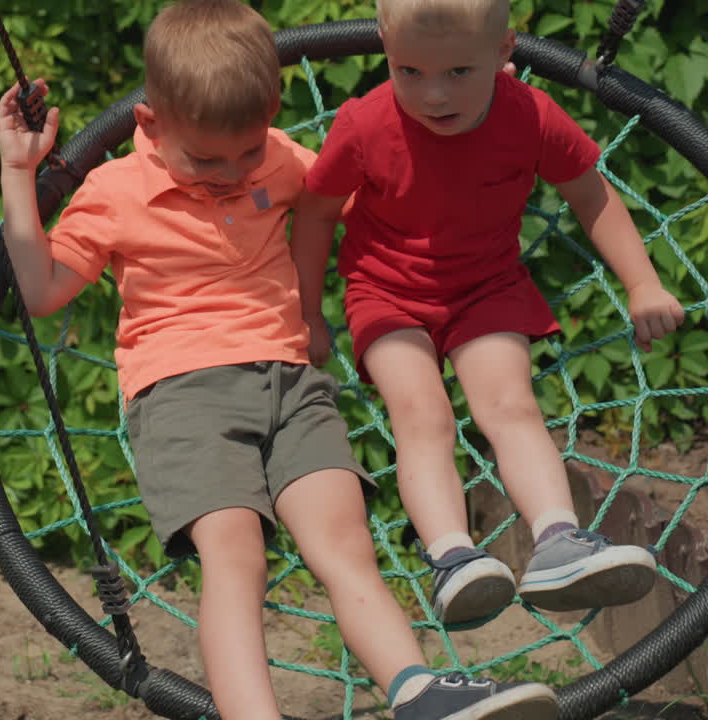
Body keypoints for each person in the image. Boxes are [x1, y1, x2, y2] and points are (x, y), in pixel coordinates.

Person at [0, 1, 559, 717]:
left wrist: (485, 101)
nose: (233, 172)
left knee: (346, 542)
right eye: (206, 158)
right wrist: (20, 174)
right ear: (150, 122)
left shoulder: (284, 157)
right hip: (181, 393)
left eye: (249, 151)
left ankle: (416, 690)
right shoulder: (114, 192)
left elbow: (384, 196)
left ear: (271, 116)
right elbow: (42, 290)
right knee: (236, 558)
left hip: (293, 384)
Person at [291, 0, 685, 631]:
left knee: (510, 405)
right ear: (385, 48)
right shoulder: (365, 123)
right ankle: (452, 557)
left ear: (505, 53)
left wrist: (641, 282)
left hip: (486, 286)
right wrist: (308, 311)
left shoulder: (530, 115)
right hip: (386, 291)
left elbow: (591, 193)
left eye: (458, 72)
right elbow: (313, 213)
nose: (433, 93)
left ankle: (559, 541)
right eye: (409, 71)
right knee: (423, 416)